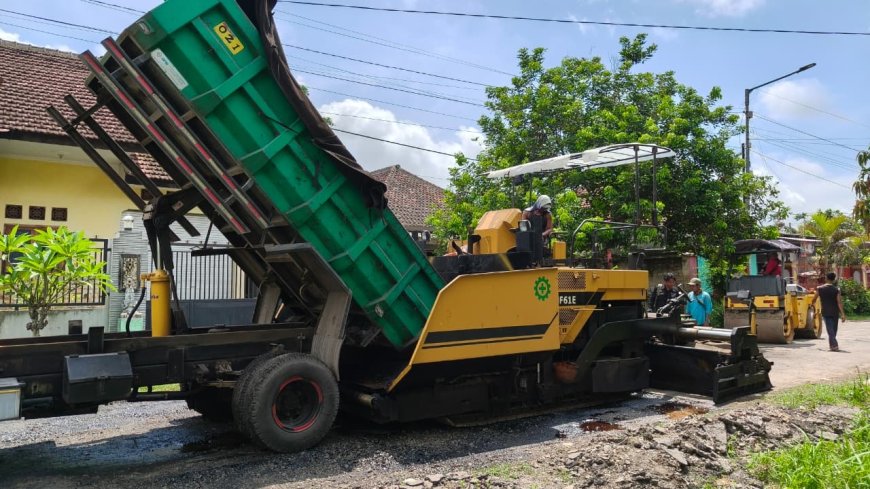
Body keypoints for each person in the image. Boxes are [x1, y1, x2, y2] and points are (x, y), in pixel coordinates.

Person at [816, 272, 846, 351]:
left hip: (826, 312)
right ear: (833, 280)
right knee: (833, 329)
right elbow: (839, 302)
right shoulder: (836, 290)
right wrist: (843, 314)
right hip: (835, 312)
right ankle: (834, 345)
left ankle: (833, 345)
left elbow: (814, 298)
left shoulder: (820, 288)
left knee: (830, 330)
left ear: (826, 278)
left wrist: (811, 304)